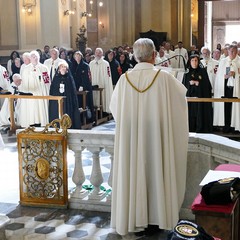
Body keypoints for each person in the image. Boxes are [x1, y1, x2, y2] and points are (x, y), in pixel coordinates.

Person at [109, 38, 189, 236]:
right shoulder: (164, 78)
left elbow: (114, 108)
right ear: (154, 55)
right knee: (156, 172)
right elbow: (180, 104)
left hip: (132, 137)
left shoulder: (124, 79)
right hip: (157, 137)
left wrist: (133, 127)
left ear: (135, 57)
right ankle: (157, 218)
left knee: (134, 173)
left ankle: (135, 220)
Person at [18, 50, 50, 128]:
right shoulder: (26, 69)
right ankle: (31, 121)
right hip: (30, 92)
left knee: (40, 108)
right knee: (31, 108)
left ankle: (42, 122)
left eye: (36, 57)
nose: (34, 58)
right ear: (30, 59)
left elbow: (47, 82)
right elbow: (24, 82)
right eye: (32, 57)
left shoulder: (44, 68)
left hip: (40, 92)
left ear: (38, 58)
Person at [182, 54, 213, 133]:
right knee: (190, 114)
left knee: (200, 113)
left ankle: (200, 128)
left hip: (200, 98)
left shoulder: (202, 71)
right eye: (192, 60)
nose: (194, 63)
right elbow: (183, 86)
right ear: (190, 61)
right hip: (190, 99)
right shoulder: (187, 72)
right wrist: (190, 84)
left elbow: (207, 86)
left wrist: (198, 84)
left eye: (196, 60)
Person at [214, 44, 240, 133]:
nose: (232, 53)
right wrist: (225, 76)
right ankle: (226, 126)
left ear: (237, 52)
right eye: (230, 51)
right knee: (226, 107)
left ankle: (235, 127)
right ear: (227, 51)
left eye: (234, 51)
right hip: (225, 88)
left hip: (236, 89)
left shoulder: (239, 61)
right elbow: (219, 76)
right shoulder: (223, 61)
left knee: (235, 107)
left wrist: (236, 74)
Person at [49, 61, 81, 129]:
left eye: (64, 67)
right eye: (61, 67)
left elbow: (72, 91)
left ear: (67, 69)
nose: (63, 68)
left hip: (67, 101)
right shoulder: (56, 78)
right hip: (57, 101)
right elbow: (53, 90)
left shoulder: (69, 78)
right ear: (59, 69)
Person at [71, 51, 94, 122]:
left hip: (84, 88)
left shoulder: (85, 66)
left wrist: (82, 86)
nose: (77, 57)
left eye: (79, 56)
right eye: (76, 56)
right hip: (75, 88)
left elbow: (87, 78)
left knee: (85, 103)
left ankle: (88, 119)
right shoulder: (72, 66)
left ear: (81, 57)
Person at [89, 47, 113, 114]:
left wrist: (106, 84)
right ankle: (95, 111)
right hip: (94, 84)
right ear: (94, 53)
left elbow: (108, 75)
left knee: (103, 96)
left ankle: (104, 110)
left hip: (103, 84)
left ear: (102, 54)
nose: (98, 54)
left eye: (99, 53)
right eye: (96, 52)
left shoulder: (106, 63)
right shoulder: (91, 63)